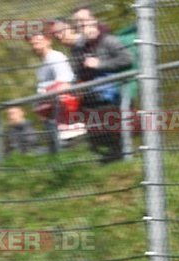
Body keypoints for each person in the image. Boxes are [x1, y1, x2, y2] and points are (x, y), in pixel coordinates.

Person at [61, 7, 133, 162]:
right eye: (78, 22)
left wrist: (100, 64)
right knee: (94, 138)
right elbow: (76, 72)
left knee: (110, 134)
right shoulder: (78, 49)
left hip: (110, 95)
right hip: (87, 97)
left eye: (84, 20)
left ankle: (120, 161)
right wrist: (70, 84)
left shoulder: (109, 41)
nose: (82, 24)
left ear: (93, 20)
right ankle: (105, 166)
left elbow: (127, 60)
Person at [27, 30, 83, 147]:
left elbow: (65, 82)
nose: (35, 46)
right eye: (32, 44)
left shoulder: (55, 57)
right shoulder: (42, 65)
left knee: (66, 144)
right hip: (49, 110)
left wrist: (47, 94)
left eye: (38, 42)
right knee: (55, 144)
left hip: (61, 106)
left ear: (48, 41)